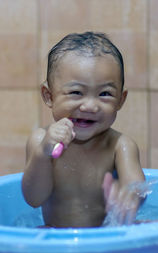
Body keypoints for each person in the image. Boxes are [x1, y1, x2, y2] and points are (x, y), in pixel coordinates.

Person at [22, 32, 145, 228]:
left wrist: (128, 196)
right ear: (49, 96)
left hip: (106, 239)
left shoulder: (119, 145)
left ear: (121, 100)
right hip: (55, 239)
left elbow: (137, 187)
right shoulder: (40, 141)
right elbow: (33, 199)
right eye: (76, 92)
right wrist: (42, 154)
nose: (90, 106)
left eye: (105, 94)